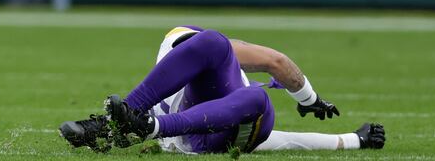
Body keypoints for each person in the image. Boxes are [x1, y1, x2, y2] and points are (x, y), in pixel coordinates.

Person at [60, 26, 386, 154]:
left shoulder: (184, 53)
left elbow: (283, 140)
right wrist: (311, 100)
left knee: (247, 89)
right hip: (199, 134)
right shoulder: (204, 55)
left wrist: (354, 140)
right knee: (256, 96)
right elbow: (277, 62)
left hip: (187, 123)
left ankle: (113, 123)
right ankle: (132, 124)